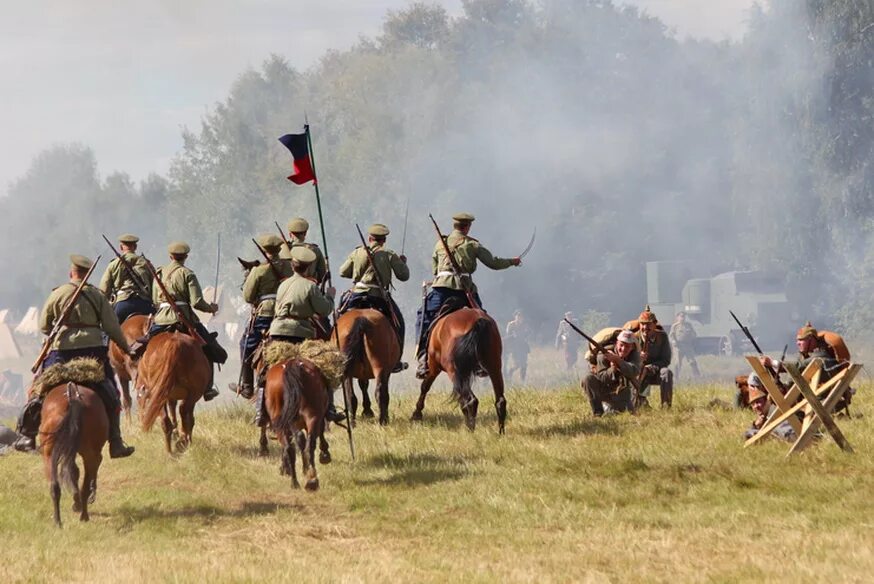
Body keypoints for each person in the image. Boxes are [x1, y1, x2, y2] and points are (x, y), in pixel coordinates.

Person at [14, 254, 136, 457]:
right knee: (111, 393)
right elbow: (112, 327)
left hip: (61, 350)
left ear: (71, 273)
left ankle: (28, 436)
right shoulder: (97, 295)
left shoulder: (57, 294)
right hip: (93, 352)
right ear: (87, 274)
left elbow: (44, 326)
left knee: (38, 389)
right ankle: (115, 441)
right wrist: (126, 347)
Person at [414, 212, 521, 378]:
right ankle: (482, 360)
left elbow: (435, 269)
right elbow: (493, 263)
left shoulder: (439, 244)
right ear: (468, 227)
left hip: (442, 288)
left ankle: (422, 357)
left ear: (455, 226)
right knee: (483, 319)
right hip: (464, 290)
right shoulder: (472, 244)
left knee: (423, 316)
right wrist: (512, 262)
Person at [264, 246, 344, 424]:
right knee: (325, 367)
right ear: (308, 267)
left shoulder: (283, 284)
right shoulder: (310, 286)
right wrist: (330, 296)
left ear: (292, 265)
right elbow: (324, 310)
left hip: (277, 330)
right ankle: (329, 408)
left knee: (266, 369)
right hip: (300, 333)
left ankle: (261, 409)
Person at [145, 242, 227, 401]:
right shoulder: (187, 274)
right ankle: (208, 388)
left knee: (144, 347)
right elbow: (196, 302)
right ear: (186, 257)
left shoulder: (159, 273)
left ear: (170, 256)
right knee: (209, 348)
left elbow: (155, 299)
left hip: (161, 319)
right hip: (184, 319)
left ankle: (143, 384)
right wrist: (211, 308)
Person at [338, 223, 409, 372]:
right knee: (399, 322)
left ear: (369, 238)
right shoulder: (389, 254)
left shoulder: (357, 252)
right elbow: (404, 276)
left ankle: (336, 354)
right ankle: (396, 361)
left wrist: (358, 269)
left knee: (339, 317)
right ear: (384, 240)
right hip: (378, 297)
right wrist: (402, 263)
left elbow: (342, 272)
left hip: (356, 295)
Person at [230, 234, 292, 399]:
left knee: (245, 344)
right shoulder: (289, 267)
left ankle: (248, 387)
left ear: (264, 250)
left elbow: (248, 297)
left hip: (265, 313)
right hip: (287, 311)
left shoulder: (258, 270)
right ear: (280, 249)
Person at [760, 321, 851, 413]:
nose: (798, 343)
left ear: (811, 340)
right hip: (814, 401)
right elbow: (796, 371)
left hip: (825, 401)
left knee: (796, 414)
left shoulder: (820, 356)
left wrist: (772, 362)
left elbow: (798, 366)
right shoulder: (809, 356)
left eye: (801, 340)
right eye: (797, 340)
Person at [582, 329, 641, 416]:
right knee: (588, 379)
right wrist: (613, 368)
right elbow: (602, 378)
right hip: (603, 390)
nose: (623, 349)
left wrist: (618, 360)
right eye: (621, 345)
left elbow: (634, 371)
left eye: (627, 347)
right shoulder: (603, 354)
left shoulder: (634, 355)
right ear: (617, 343)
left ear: (632, 347)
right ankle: (598, 413)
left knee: (623, 412)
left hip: (622, 392)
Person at [98, 233, 155, 323]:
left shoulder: (113, 264)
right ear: (135, 247)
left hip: (123, 304)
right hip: (144, 305)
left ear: (121, 247)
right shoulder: (146, 263)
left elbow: (104, 290)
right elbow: (155, 286)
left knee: (107, 328)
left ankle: (105, 337)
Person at [636, 306, 673, 408]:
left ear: (655, 324)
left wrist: (651, 368)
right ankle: (641, 402)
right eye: (642, 324)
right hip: (638, 373)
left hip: (656, 371)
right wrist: (638, 358)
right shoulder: (634, 338)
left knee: (666, 373)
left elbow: (666, 360)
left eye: (648, 324)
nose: (645, 327)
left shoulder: (662, 337)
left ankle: (666, 405)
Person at [743, 373, 797, 441]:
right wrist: (756, 425)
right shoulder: (765, 415)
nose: (756, 406)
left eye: (758, 402)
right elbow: (747, 435)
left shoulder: (776, 408)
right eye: (753, 404)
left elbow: (789, 434)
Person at [278, 217, 327, 283]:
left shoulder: (281, 250)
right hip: (310, 289)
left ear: (290, 235)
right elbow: (322, 275)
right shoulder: (315, 250)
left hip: (287, 290)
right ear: (305, 233)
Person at [669, 311, 700, 379]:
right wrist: (673, 341)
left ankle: (697, 376)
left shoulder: (688, 325)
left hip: (687, 346)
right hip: (678, 347)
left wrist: (692, 336)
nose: (682, 318)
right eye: (681, 316)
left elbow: (694, 334)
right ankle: (676, 378)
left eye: (684, 316)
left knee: (692, 362)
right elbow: (671, 336)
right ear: (677, 317)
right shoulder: (675, 326)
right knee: (677, 363)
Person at [504, 310, 531, 381]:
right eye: (518, 316)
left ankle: (523, 380)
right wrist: (513, 335)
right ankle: (511, 371)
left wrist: (526, 334)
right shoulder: (511, 324)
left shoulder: (525, 325)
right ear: (515, 317)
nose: (520, 318)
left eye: (521, 317)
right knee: (517, 364)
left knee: (524, 364)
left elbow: (528, 334)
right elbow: (507, 336)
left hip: (523, 346)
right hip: (515, 347)